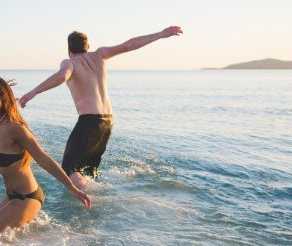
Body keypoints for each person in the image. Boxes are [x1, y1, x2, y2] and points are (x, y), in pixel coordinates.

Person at [19, 26, 182, 190]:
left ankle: (89, 201)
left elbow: (62, 76)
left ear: (69, 50)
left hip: (89, 122)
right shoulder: (100, 55)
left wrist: (33, 92)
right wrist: (160, 34)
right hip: (108, 122)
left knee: (70, 169)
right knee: (90, 170)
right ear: (87, 47)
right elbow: (129, 45)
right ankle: (94, 197)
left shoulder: (69, 62)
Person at [0, 75, 91, 235]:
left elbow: (43, 158)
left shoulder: (15, 128)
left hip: (27, 197)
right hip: (11, 195)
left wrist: (72, 188)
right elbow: (1, 153)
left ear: (3, 98)